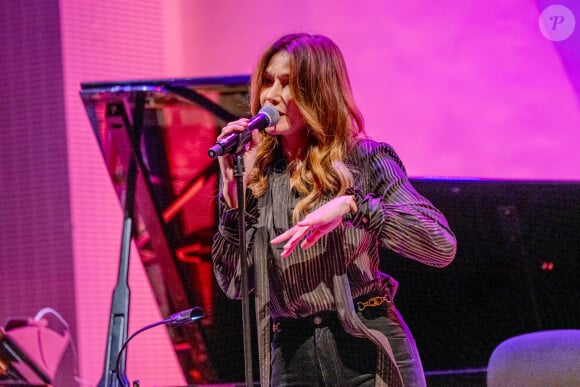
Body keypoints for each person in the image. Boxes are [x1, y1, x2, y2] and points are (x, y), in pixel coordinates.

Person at [211, 33, 457, 387]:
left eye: (287, 84)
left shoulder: (364, 158)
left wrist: (354, 206)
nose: (271, 96)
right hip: (291, 356)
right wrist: (234, 198)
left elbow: (441, 245)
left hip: (364, 342)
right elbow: (235, 285)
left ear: (317, 90)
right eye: (266, 82)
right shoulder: (258, 173)